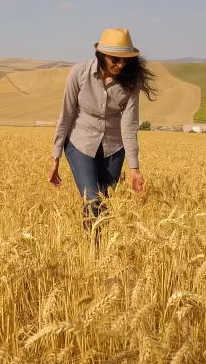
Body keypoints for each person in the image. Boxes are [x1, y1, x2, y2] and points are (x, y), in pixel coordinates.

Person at [47, 28, 156, 234]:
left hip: (113, 147)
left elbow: (129, 125)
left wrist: (134, 169)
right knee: (92, 199)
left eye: (126, 60)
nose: (121, 65)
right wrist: (56, 156)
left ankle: (101, 246)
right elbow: (66, 114)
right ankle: (91, 247)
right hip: (80, 143)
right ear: (102, 55)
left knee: (106, 204)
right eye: (115, 59)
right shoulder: (79, 73)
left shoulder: (131, 82)